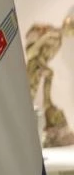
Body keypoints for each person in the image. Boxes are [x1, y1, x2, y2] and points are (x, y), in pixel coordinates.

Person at [25, 16, 74, 147]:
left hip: (39, 68)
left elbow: (44, 58)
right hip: (33, 69)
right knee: (27, 98)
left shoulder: (59, 40)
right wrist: (45, 37)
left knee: (49, 75)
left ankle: (48, 104)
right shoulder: (52, 35)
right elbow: (31, 53)